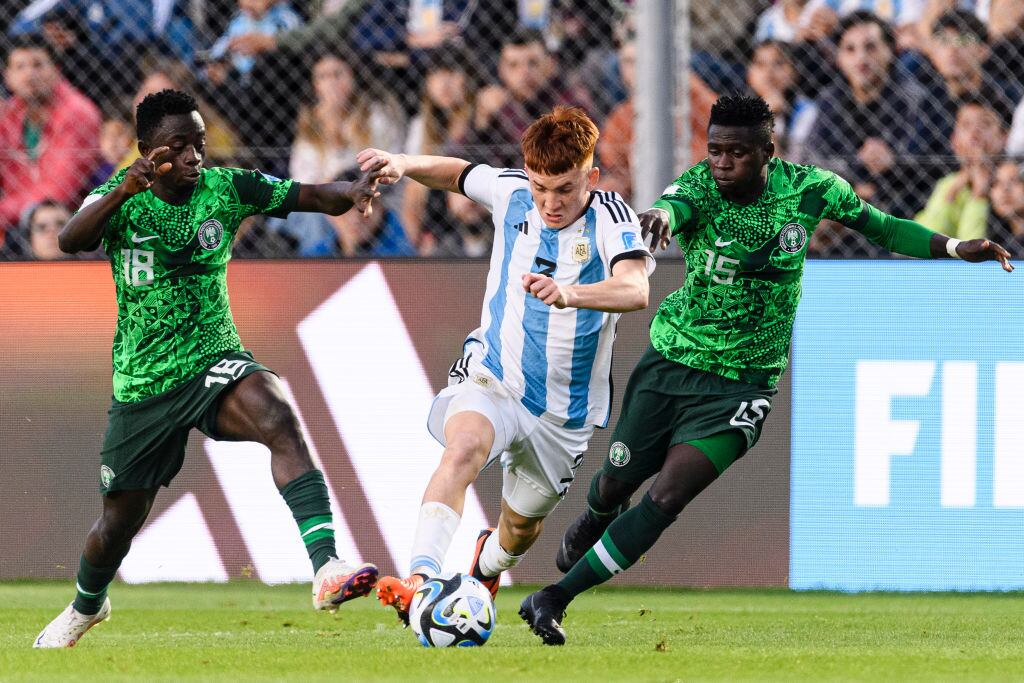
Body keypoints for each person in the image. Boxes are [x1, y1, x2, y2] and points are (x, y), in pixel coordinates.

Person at [519, 95, 1013, 646]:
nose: (723, 163)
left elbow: (884, 228)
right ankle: (596, 513)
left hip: (745, 383)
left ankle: (554, 597)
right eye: (715, 151)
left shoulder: (811, 189)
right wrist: (657, 218)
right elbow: (670, 208)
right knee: (616, 482)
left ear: (768, 152)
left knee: (667, 497)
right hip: (673, 360)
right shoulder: (700, 186)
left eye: (736, 152)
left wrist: (951, 246)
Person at [32, 89, 387, 649]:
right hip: (144, 381)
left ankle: (326, 568)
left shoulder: (227, 187)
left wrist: (354, 189)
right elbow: (69, 239)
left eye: (200, 143)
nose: (196, 156)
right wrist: (123, 188)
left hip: (213, 358)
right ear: (149, 151)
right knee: (117, 525)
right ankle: (87, 605)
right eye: (181, 147)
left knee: (279, 418)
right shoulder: (121, 198)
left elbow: (311, 195)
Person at [355, 106, 654, 624]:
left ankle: (485, 565)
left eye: (564, 189)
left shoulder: (612, 217)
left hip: (564, 414)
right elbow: (457, 173)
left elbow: (635, 287)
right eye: (541, 187)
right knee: (464, 447)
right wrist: (403, 161)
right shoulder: (513, 192)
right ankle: (420, 584)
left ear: (592, 176)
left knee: (517, 531)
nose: (549, 202)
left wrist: (569, 293)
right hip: (495, 375)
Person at [803, 11, 947, 217]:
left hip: (904, 203)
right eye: (850, 49)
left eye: (870, 47)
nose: (861, 58)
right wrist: (854, 175)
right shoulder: (830, 100)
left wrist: (893, 162)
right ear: (839, 59)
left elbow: (929, 161)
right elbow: (814, 157)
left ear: (890, 50)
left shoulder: (915, 98)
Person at [0, 33, 101, 243]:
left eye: (38, 65)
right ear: (7, 77)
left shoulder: (77, 112)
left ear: (56, 70)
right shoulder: (10, 114)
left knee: (48, 218)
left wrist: (3, 211)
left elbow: (58, 192)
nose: (29, 75)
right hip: (15, 222)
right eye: (20, 67)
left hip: (68, 224)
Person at [915, 98, 1007, 240]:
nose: (975, 131)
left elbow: (975, 250)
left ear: (1004, 137)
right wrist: (952, 192)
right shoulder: (947, 184)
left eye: (985, 124)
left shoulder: (1010, 185)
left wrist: (979, 194)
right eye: (966, 125)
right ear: (954, 141)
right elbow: (923, 240)